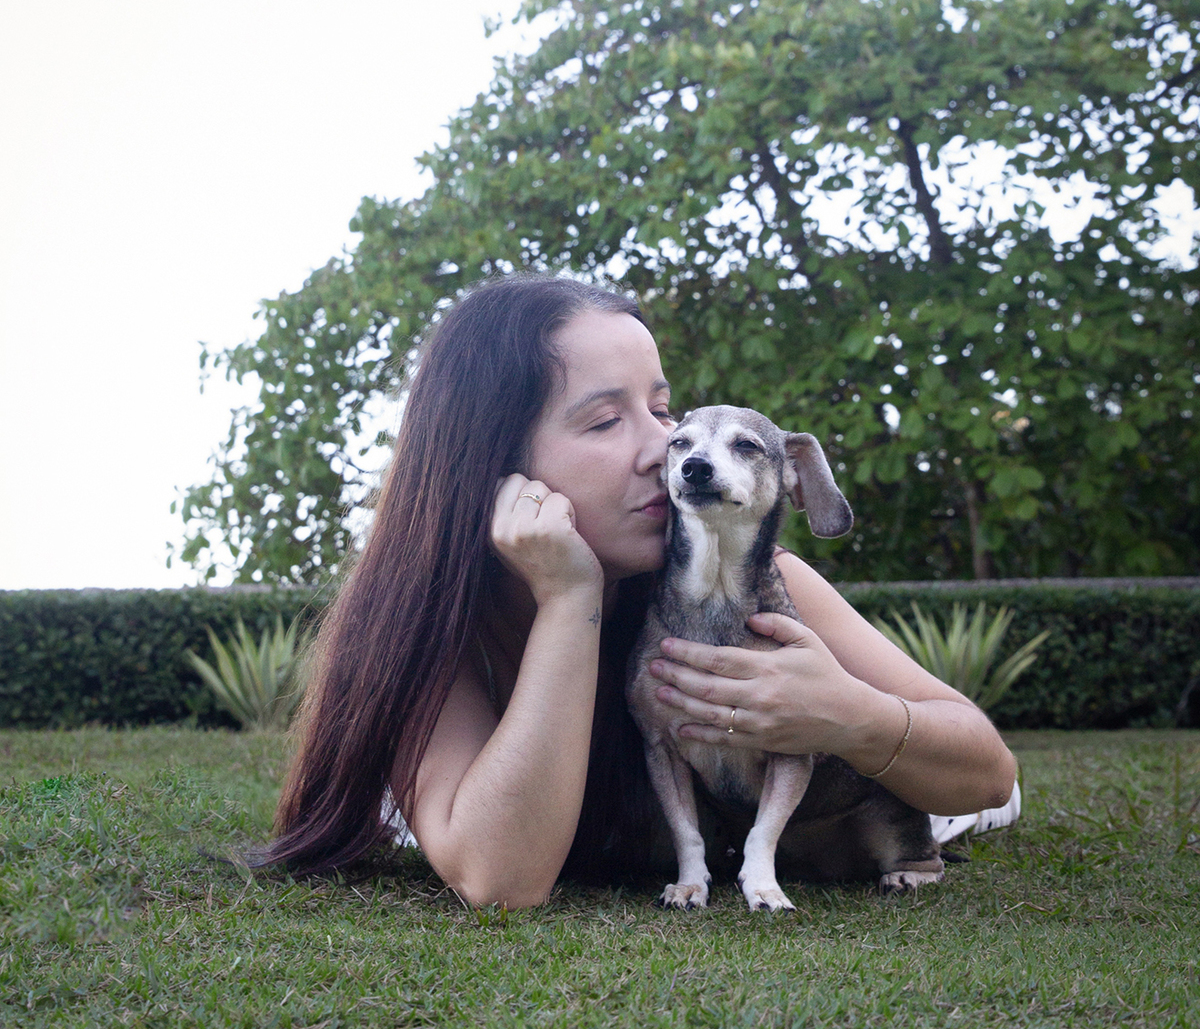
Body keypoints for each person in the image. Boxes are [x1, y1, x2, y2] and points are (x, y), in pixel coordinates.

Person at [271, 274, 1018, 906]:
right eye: (604, 420)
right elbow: (500, 878)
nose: (664, 446)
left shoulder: (749, 585)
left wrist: (853, 718)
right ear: (489, 463)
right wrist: (570, 599)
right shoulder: (423, 628)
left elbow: (988, 774)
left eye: (662, 409)